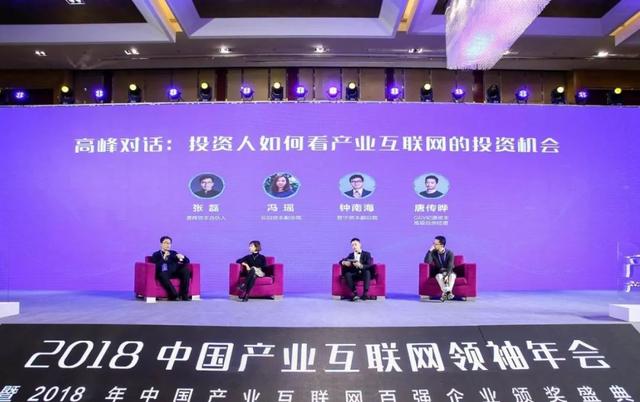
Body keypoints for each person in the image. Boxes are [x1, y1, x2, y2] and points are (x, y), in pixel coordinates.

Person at [151, 236, 192, 301]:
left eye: (169, 243)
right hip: (164, 273)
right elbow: (157, 266)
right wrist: (164, 258)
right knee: (162, 274)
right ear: (161, 244)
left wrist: (183, 257)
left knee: (186, 270)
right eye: (166, 243)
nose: (168, 245)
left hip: (174, 272)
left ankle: (184, 295)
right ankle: (174, 295)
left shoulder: (173, 253)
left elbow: (187, 261)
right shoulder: (156, 254)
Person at [424, 235, 456, 302]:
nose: (433, 245)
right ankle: (449, 293)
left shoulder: (450, 253)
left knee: (452, 276)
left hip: (449, 271)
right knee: (439, 276)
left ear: (442, 245)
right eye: (433, 243)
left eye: (435, 244)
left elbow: (450, 266)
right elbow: (427, 261)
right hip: (439, 272)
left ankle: (445, 294)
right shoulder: (433, 253)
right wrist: (429, 251)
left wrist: (447, 275)